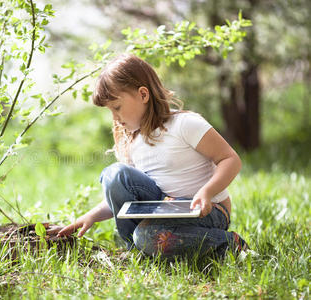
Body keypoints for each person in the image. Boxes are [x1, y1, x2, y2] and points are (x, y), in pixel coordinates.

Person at [57, 53, 248, 260]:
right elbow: (124, 198)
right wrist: (91, 216)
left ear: (143, 95)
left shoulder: (185, 124)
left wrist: (207, 192)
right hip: (164, 211)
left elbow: (230, 159)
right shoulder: (133, 142)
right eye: (110, 111)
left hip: (207, 211)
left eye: (117, 108)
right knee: (116, 175)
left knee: (147, 236)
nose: (115, 118)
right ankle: (138, 249)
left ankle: (228, 244)